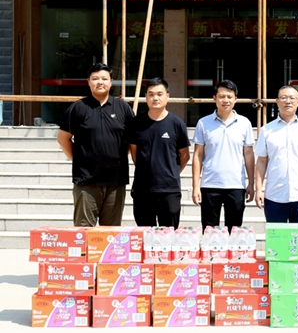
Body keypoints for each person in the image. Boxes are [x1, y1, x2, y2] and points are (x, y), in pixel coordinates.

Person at [57, 62, 134, 227]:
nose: (100, 82)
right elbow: (63, 138)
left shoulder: (123, 108)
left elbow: (132, 140)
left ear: (111, 82)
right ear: (88, 82)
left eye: (104, 79)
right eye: (95, 78)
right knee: (84, 231)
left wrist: (118, 156)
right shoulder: (78, 108)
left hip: (115, 180)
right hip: (86, 181)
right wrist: (79, 160)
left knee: (111, 233)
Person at [191, 80, 255, 232]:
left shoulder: (244, 123)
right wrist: (195, 186)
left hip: (236, 185)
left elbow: (248, 154)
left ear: (235, 99)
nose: (225, 100)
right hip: (210, 185)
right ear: (214, 98)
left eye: (229, 97)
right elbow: (198, 155)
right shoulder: (203, 123)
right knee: (209, 231)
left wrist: (251, 183)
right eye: (221, 96)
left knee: (234, 230)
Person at [128, 78, 190, 228]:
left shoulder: (177, 124)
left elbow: (184, 155)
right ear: (146, 97)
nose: (155, 98)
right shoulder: (136, 123)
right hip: (143, 190)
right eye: (151, 94)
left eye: (159, 94)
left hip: (169, 191)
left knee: (168, 236)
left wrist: (171, 172)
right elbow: (135, 154)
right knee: (144, 235)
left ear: (167, 96)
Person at [255, 86, 298, 223]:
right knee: (276, 235)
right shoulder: (267, 130)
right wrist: (259, 189)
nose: (288, 101)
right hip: (274, 195)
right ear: (277, 101)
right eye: (284, 98)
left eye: (292, 98)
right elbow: (261, 161)